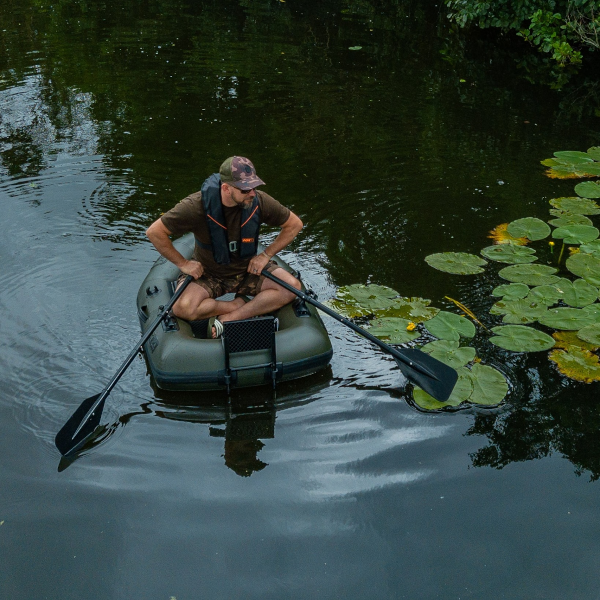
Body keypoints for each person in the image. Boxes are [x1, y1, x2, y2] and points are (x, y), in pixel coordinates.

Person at [146, 156, 303, 337]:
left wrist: (266, 255)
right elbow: (155, 232)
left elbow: (294, 224)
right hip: (209, 273)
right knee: (182, 307)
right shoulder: (195, 206)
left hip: (248, 271)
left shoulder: (259, 201)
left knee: (291, 287)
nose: (252, 193)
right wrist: (184, 264)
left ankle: (233, 316)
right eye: (245, 189)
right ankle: (234, 304)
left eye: (254, 187)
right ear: (226, 188)